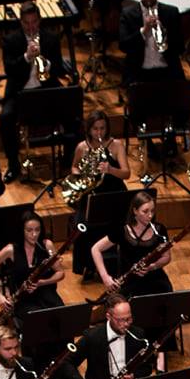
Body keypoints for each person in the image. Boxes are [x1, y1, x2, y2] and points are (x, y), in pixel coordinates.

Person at [0, 2, 65, 176]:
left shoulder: (51, 38)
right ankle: (13, 165)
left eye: (34, 22)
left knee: (72, 112)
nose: (31, 27)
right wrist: (27, 56)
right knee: (6, 118)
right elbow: (10, 70)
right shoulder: (11, 40)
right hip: (20, 93)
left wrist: (46, 62)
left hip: (46, 91)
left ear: (40, 20)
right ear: (21, 22)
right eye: (27, 23)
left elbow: (60, 69)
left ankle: (68, 160)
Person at [68, 113, 131, 278]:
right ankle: (88, 265)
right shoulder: (82, 147)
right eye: (95, 129)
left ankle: (118, 264)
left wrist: (110, 169)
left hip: (114, 194)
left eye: (102, 128)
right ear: (88, 129)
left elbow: (126, 173)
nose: (99, 133)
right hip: (91, 195)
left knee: (120, 225)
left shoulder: (116, 145)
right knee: (82, 226)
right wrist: (83, 175)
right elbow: (74, 168)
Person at [90, 189, 176, 303]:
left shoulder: (159, 230)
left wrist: (152, 266)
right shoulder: (122, 230)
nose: (150, 215)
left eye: (152, 211)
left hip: (155, 279)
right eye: (145, 211)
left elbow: (166, 257)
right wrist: (105, 277)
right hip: (129, 282)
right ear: (135, 211)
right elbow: (95, 249)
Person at [0, 212, 67, 319]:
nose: (34, 234)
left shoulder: (46, 245)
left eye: (37, 229)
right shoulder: (11, 249)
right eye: (29, 230)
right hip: (23, 300)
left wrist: (43, 282)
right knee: (39, 321)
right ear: (22, 230)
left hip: (47, 293)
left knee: (62, 317)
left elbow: (60, 273)